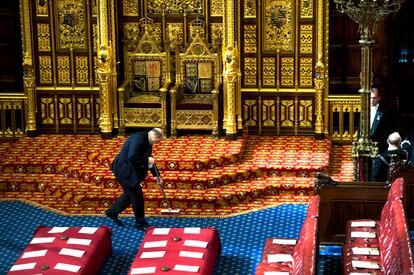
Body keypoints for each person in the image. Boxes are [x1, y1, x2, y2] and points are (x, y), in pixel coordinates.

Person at [105, 128, 164, 230]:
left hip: (130, 170)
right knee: (137, 197)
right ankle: (140, 223)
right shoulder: (139, 139)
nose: (158, 143)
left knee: (130, 195)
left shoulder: (147, 139)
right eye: (158, 141)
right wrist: (147, 160)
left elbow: (149, 158)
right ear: (155, 137)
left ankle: (112, 212)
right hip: (124, 170)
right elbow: (132, 156)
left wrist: (156, 175)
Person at [369, 88, 393, 153]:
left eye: (374, 98)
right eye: (370, 98)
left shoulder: (385, 112)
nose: (372, 100)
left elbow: (387, 131)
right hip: (366, 146)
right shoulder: (364, 111)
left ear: (379, 98)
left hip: (380, 147)